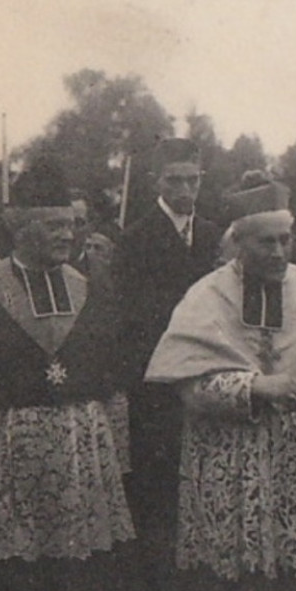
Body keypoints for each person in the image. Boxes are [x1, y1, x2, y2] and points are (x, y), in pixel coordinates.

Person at [0, 156, 135, 591]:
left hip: (85, 452)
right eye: (52, 226)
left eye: (70, 225)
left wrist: (119, 463)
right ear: (20, 228)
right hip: (5, 451)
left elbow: (114, 387)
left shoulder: (94, 291)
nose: (67, 235)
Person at [145, 179, 296, 583]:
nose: (278, 252)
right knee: (235, 585)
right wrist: (252, 386)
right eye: (265, 242)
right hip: (231, 456)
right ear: (239, 243)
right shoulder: (206, 296)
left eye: (284, 241)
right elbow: (188, 383)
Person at [114, 138, 220, 543]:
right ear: (155, 181)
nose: (184, 191)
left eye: (193, 181)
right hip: (158, 373)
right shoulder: (135, 239)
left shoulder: (213, 235)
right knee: (159, 471)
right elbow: (131, 316)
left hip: (208, 368)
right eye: (174, 181)